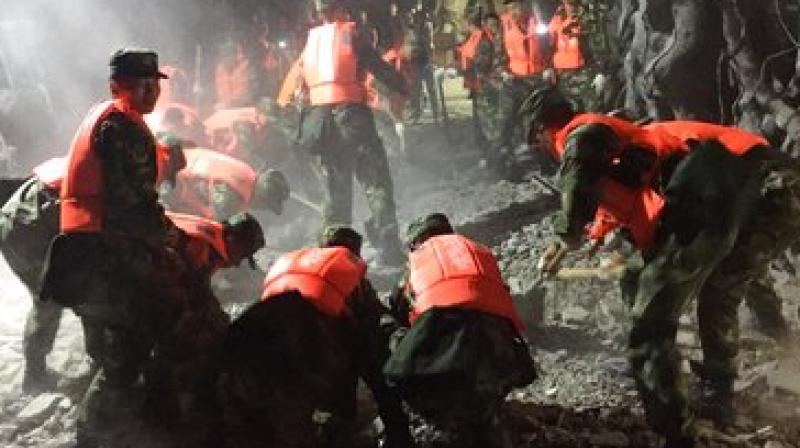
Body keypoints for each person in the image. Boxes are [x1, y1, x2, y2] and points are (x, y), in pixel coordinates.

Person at [526, 87, 800, 447]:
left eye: (538, 142)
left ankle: (684, 417)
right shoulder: (630, 154)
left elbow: (579, 182)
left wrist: (568, 233)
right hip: (774, 186)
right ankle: (776, 350)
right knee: (725, 279)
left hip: (750, 181)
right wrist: (572, 244)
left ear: (543, 130)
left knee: (686, 298)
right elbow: (620, 214)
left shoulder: (581, 133)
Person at [38, 48, 204, 447]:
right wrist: (179, 242)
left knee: (120, 345)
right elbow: (134, 208)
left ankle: (136, 423)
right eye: (140, 84)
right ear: (118, 86)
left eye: (154, 84)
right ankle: (98, 435)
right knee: (134, 346)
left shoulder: (110, 119)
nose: (150, 92)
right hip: (100, 254)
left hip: (84, 250)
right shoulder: (122, 130)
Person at [218, 226, 412, 448]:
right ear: (354, 252)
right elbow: (370, 328)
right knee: (360, 364)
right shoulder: (346, 267)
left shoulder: (293, 260)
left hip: (253, 331)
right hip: (307, 334)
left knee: (260, 405)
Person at [384, 213, 537, 448]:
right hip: (505, 357)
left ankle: (445, 421)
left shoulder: (420, 259)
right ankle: (487, 418)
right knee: (482, 406)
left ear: (416, 242)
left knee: (392, 334)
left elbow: (399, 309)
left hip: (448, 364)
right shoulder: (477, 253)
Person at [296, 0, 408, 266]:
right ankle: (389, 249)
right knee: (375, 181)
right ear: (338, 9)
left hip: (321, 121)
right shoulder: (350, 33)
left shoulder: (311, 40)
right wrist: (401, 86)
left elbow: (301, 86)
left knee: (336, 188)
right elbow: (376, 66)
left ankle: (335, 252)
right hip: (351, 116)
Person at [493, 0, 552, 177]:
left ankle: (546, 164)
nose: (515, 11)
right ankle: (503, 165)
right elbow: (498, 54)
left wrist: (548, 67)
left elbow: (548, 46)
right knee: (505, 124)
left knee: (537, 125)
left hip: (535, 80)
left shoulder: (538, 21)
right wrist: (503, 72)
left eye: (518, 6)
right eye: (511, 8)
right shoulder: (504, 25)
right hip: (513, 82)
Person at [162, 145, 289, 221]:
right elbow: (215, 223)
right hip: (167, 179)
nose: (263, 209)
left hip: (179, 159)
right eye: (266, 205)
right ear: (262, 197)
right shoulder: (230, 199)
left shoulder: (246, 173)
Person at [404, 0, 439, 123]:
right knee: (417, 88)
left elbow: (429, 42)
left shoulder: (426, 21)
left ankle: (435, 114)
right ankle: (419, 113)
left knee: (430, 88)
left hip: (425, 59)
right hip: (417, 59)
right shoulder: (413, 22)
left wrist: (431, 59)